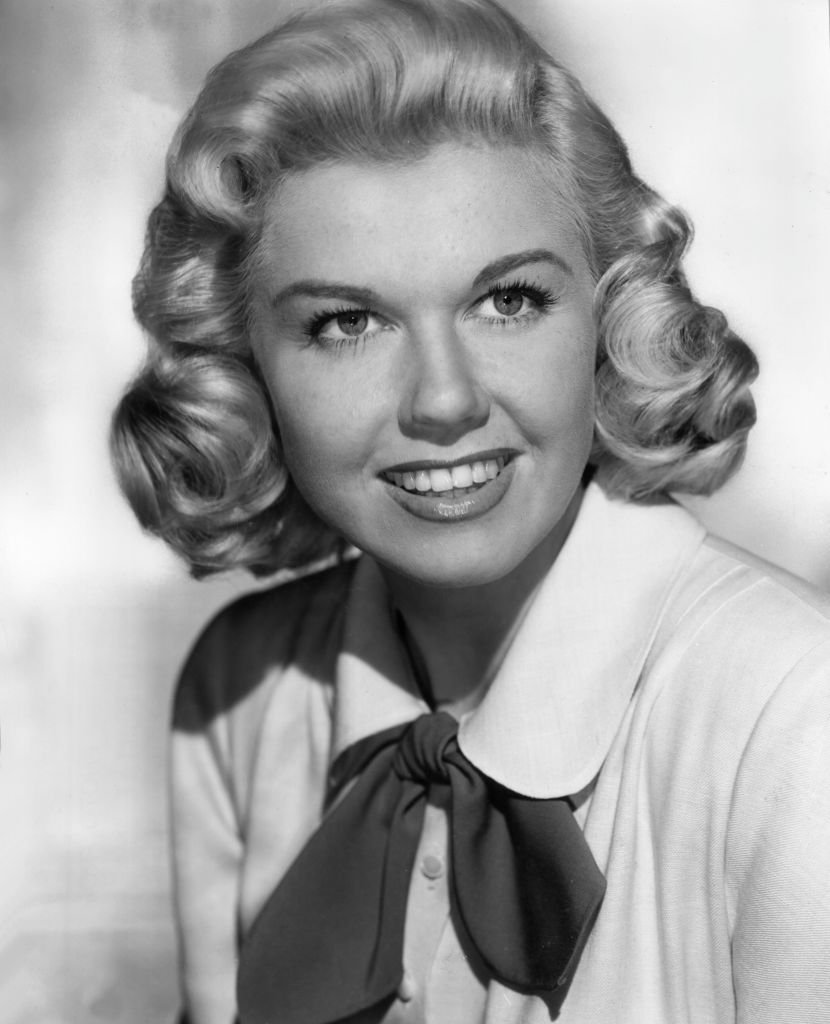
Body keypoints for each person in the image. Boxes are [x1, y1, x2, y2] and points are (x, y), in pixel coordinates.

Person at [110, 1, 830, 1021]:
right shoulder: (243, 691)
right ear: (243, 365)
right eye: (346, 322)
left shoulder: (797, 720)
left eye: (507, 302)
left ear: (606, 311)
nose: (442, 400)